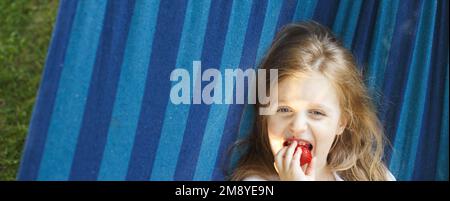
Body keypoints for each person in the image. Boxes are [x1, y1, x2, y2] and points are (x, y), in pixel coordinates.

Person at [228, 21, 395, 181]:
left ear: (341, 123)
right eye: (284, 109)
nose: (298, 126)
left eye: (316, 113)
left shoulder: (374, 176)